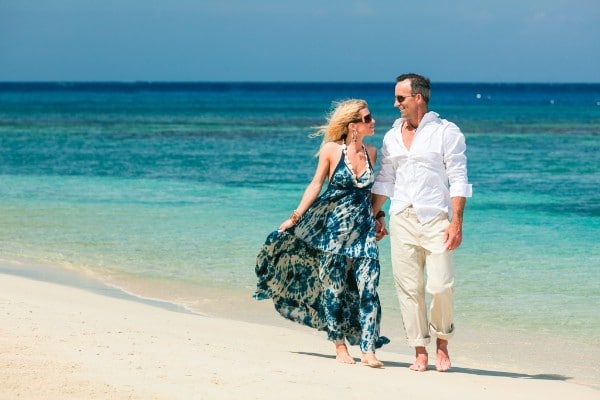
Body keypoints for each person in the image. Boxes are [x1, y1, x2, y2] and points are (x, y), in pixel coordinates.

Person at [254, 99, 389, 368]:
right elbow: (316, 185)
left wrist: (380, 216)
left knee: (369, 289)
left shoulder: (372, 152)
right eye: (367, 118)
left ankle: (368, 349)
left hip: (363, 233)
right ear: (352, 125)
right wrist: (294, 218)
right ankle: (339, 346)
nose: (372, 121)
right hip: (334, 233)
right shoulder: (331, 150)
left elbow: (374, 194)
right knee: (334, 290)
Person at [371, 74, 472, 372]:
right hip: (402, 217)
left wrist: (457, 222)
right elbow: (385, 179)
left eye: (400, 98)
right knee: (408, 288)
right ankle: (420, 350)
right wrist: (375, 215)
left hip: (436, 218)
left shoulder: (446, 132)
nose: (395, 104)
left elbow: (458, 178)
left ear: (418, 98)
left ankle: (442, 343)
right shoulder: (391, 136)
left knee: (441, 285)